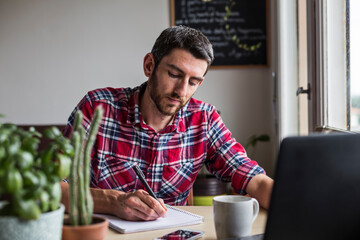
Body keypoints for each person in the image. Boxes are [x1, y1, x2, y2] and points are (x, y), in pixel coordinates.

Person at [60, 25, 273, 221]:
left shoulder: (204, 119)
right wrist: (114, 202)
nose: (181, 91)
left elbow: (253, 178)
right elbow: (53, 188)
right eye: (174, 74)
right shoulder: (97, 108)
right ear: (149, 65)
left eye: (193, 82)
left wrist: (297, 204)